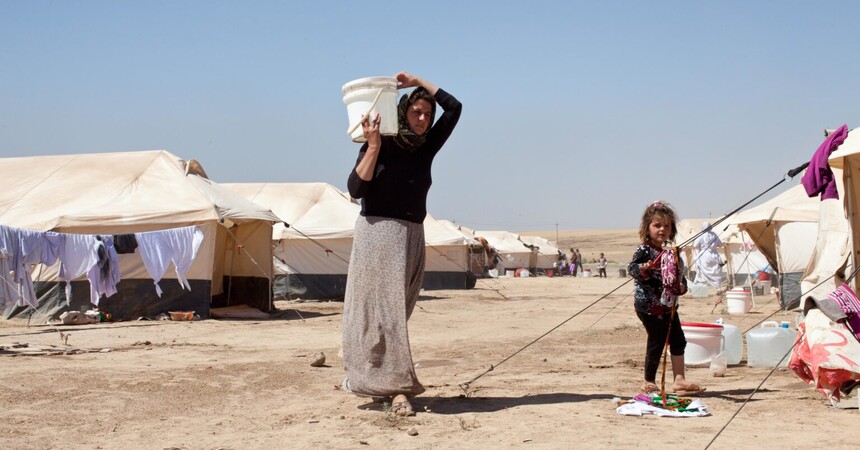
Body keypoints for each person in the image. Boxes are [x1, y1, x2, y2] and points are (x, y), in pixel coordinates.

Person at [342, 72, 462, 417]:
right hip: (378, 235)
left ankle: (371, 379)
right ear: (402, 113)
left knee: (397, 313)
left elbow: (454, 108)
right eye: (416, 112)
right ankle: (397, 390)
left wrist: (417, 80)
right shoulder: (381, 141)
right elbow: (355, 189)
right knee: (384, 316)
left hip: (412, 234)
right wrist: (374, 146)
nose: (423, 119)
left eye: (427, 114)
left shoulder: (426, 146)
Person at [627, 201, 705, 396]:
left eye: (667, 225)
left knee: (678, 340)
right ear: (647, 228)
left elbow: (680, 276)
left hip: (668, 306)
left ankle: (679, 380)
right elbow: (632, 269)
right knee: (657, 339)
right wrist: (643, 268)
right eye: (657, 225)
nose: (662, 229)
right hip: (648, 306)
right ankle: (649, 381)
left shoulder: (673, 252)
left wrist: (682, 286)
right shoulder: (644, 250)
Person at [693, 222, 725, 290]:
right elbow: (720, 244)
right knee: (716, 271)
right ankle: (717, 287)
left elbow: (695, 245)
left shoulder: (701, 236)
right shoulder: (715, 235)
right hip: (714, 256)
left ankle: (701, 286)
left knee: (702, 271)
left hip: (704, 256)